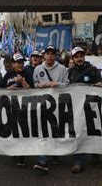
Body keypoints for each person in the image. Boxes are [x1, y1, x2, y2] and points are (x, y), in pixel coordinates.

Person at [32, 45, 69, 174]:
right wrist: (39, 85)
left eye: (52, 53)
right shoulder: (38, 69)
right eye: (47, 53)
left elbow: (68, 85)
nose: (49, 56)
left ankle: (54, 154)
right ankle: (42, 160)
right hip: (42, 105)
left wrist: (57, 84)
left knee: (55, 130)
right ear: (44, 55)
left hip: (58, 104)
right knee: (43, 131)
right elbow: (34, 84)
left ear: (55, 56)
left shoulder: (62, 69)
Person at [68, 47, 102, 173]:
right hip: (77, 108)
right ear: (73, 59)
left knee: (92, 132)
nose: (79, 59)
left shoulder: (93, 70)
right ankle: (78, 162)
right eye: (76, 57)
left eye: (81, 56)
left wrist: (98, 85)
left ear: (84, 57)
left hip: (91, 108)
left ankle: (94, 152)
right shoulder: (70, 72)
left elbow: (101, 84)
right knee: (79, 133)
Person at [0, 53, 33, 167]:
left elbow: (33, 91)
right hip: (10, 107)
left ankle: (21, 156)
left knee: (23, 130)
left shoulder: (27, 74)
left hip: (23, 107)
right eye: (18, 62)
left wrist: (23, 82)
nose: (21, 65)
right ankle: (14, 152)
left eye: (22, 62)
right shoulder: (7, 75)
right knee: (12, 130)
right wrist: (8, 89)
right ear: (13, 64)